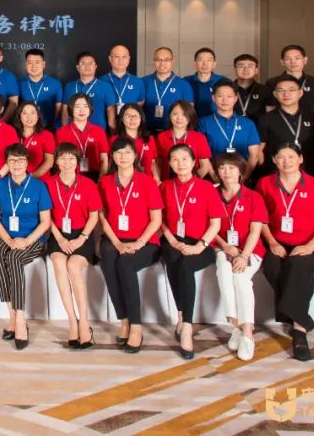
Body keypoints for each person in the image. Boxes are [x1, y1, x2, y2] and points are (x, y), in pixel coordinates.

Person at [257, 141, 314, 361]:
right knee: (272, 267)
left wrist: (310, 246)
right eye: (281, 157)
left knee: (297, 265)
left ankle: (300, 329)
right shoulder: (265, 183)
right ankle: (299, 314)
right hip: (278, 242)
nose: (286, 161)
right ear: (274, 160)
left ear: (301, 159)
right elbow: (261, 219)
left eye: (291, 156)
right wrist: (272, 242)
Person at [96, 137, 163, 353]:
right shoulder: (106, 182)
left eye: (127, 152)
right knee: (108, 260)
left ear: (135, 156)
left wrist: (139, 242)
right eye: (118, 153)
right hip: (114, 239)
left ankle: (136, 326)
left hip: (145, 241)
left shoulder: (147, 182)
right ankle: (123, 320)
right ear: (113, 157)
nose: (122, 156)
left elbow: (156, 220)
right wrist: (116, 242)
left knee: (125, 263)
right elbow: (102, 216)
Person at [159, 144, 223, 360]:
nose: (180, 164)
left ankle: (186, 325)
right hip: (173, 239)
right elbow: (160, 220)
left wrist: (199, 246)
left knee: (186, 265)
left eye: (185, 159)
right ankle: (181, 316)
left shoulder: (207, 188)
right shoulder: (165, 186)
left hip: (201, 243)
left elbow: (215, 224)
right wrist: (172, 240)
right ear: (169, 164)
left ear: (194, 162)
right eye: (175, 160)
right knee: (172, 257)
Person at [0, 143, 52, 350]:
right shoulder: (0, 185)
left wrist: (27, 241)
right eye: (12, 160)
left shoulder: (39, 186)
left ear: (27, 163)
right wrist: (8, 240)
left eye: (21, 160)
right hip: (7, 235)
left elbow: (45, 222)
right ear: (6, 163)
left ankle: (20, 319)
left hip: (32, 238)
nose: (16, 164)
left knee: (14, 258)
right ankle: (12, 315)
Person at [211, 152, 267, 361]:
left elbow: (255, 231)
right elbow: (208, 226)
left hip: (249, 250)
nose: (226, 172)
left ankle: (247, 333)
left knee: (241, 278)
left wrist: (244, 256)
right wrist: (225, 246)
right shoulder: (211, 193)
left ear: (241, 172)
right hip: (222, 247)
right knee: (224, 272)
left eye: (231, 168)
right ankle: (236, 326)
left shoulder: (253, 197)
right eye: (222, 168)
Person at [45, 143, 101, 349]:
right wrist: (59, 238)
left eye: (71, 158)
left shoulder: (88, 184)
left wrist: (82, 238)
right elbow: (46, 216)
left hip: (81, 235)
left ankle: (84, 321)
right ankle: (72, 322)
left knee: (74, 266)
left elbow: (94, 216)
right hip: (58, 235)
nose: (67, 162)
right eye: (62, 158)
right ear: (56, 161)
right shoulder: (48, 184)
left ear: (77, 161)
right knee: (59, 263)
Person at [255, 75, 314, 180]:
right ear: (275, 94)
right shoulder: (265, 119)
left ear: (300, 93)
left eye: (291, 90)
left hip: (309, 174)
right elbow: (259, 150)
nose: (286, 94)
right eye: (281, 90)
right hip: (275, 174)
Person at [198, 80, 263, 177]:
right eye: (220, 96)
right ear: (213, 98)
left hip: (242, 176)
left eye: (229, 96)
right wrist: (214, 177)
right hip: (213, 175)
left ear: (235, 98)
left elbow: (254, 155)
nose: (225, 100)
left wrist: (243, 178)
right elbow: (202, 155)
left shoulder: (248, 124)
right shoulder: (203, 122)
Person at [55, 93, 110, 180]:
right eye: (77, 107)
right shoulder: (61, 132)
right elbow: (58, 160)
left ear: (90, 109)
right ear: (71, 109)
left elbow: (104, 159)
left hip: (95, 176)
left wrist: (101, 181)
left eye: (85, 106)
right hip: (70, 175)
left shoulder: (99, 131)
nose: (82, 110)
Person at [154, 100, 213, 180]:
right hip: (167, 182)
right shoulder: (161, 137)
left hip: (193, 183)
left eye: (184, 115)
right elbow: (158, 163)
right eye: (175, 114)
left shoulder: (199, 137)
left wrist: (192, 182)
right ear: (170, 115)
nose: (179, 118)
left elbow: (205, 166)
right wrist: (158, 180)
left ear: (190, 117)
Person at [265, 45, 314, 116]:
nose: (293, 62)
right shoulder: (272, 82)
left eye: (297, 58)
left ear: (305, 60)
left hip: (308, 122)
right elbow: (270, 108)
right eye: (288, 59)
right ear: (282, 62)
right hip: (280, 121)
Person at [142, 47, 193, 132]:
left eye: (166, 60)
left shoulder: (183, 84)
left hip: (172, 132)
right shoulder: (143, 82)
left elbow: (189, 112)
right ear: (154, 61)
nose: (162, 63)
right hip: (146, 131)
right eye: (158, 60)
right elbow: (137, 108)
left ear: (172, 61)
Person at [108, 103, 159, 180]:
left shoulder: (150, 139)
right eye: (128, 116)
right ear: (122, 119)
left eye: (135, 116)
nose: (132, 119)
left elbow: (153, 162)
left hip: (147, 181)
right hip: (123, 181)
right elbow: (110, 163)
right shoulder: (114, 139)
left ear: (141, 118)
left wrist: (156, 178)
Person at [100, 45, 145, 131]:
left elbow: (140, 104)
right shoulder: (101, 81)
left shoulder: (138, 82)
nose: (120, 60)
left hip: (131, 127)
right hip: (106, 128)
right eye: (117, 57)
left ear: (129, 59)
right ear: (110, 59)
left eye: (124, 57)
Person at [19, 49, 63, 131]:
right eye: (30, 62)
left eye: (37, 62)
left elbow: (59, 109)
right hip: (25, 128)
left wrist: (51, 126)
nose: (33, 66)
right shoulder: (19, 83)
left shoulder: (55, 84)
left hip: (49, 128)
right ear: (25, 64)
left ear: (43, 64)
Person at [62, 51, 109, 128]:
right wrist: (65, 129)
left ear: (95, 67)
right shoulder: (69, 86)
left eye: (90, 63)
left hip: (97, 130)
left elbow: (110, 111)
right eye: (83, 63)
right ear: (78, 67)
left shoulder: (105, 86)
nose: (87, 66)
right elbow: (65, 111)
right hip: (72, 130)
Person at [14, 101, 55, 178]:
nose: (29, 117)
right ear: (19, 116)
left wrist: (31, 178)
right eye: (25, 113)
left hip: (39, 179)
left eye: (33, 113)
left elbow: (49, 162)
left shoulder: (47, 135)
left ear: (38, 116)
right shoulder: (13, 134)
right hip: (16, 178)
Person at [183, 47, 227, 118]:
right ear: (195, 63)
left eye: (209, 60)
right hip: (192, 121)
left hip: (216, 121)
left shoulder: (223, 81)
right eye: (200, 60)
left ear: (214, 64)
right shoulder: (186, 81)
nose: (204, 64)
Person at [232, 54, 267, 122]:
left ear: (256, 70)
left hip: (258, 127)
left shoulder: (265, 90)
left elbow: (270, 116)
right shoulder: (227, 89)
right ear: (235, 69)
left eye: (250, 66)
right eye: (241, 66)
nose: (246, 69)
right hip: (231, 127)